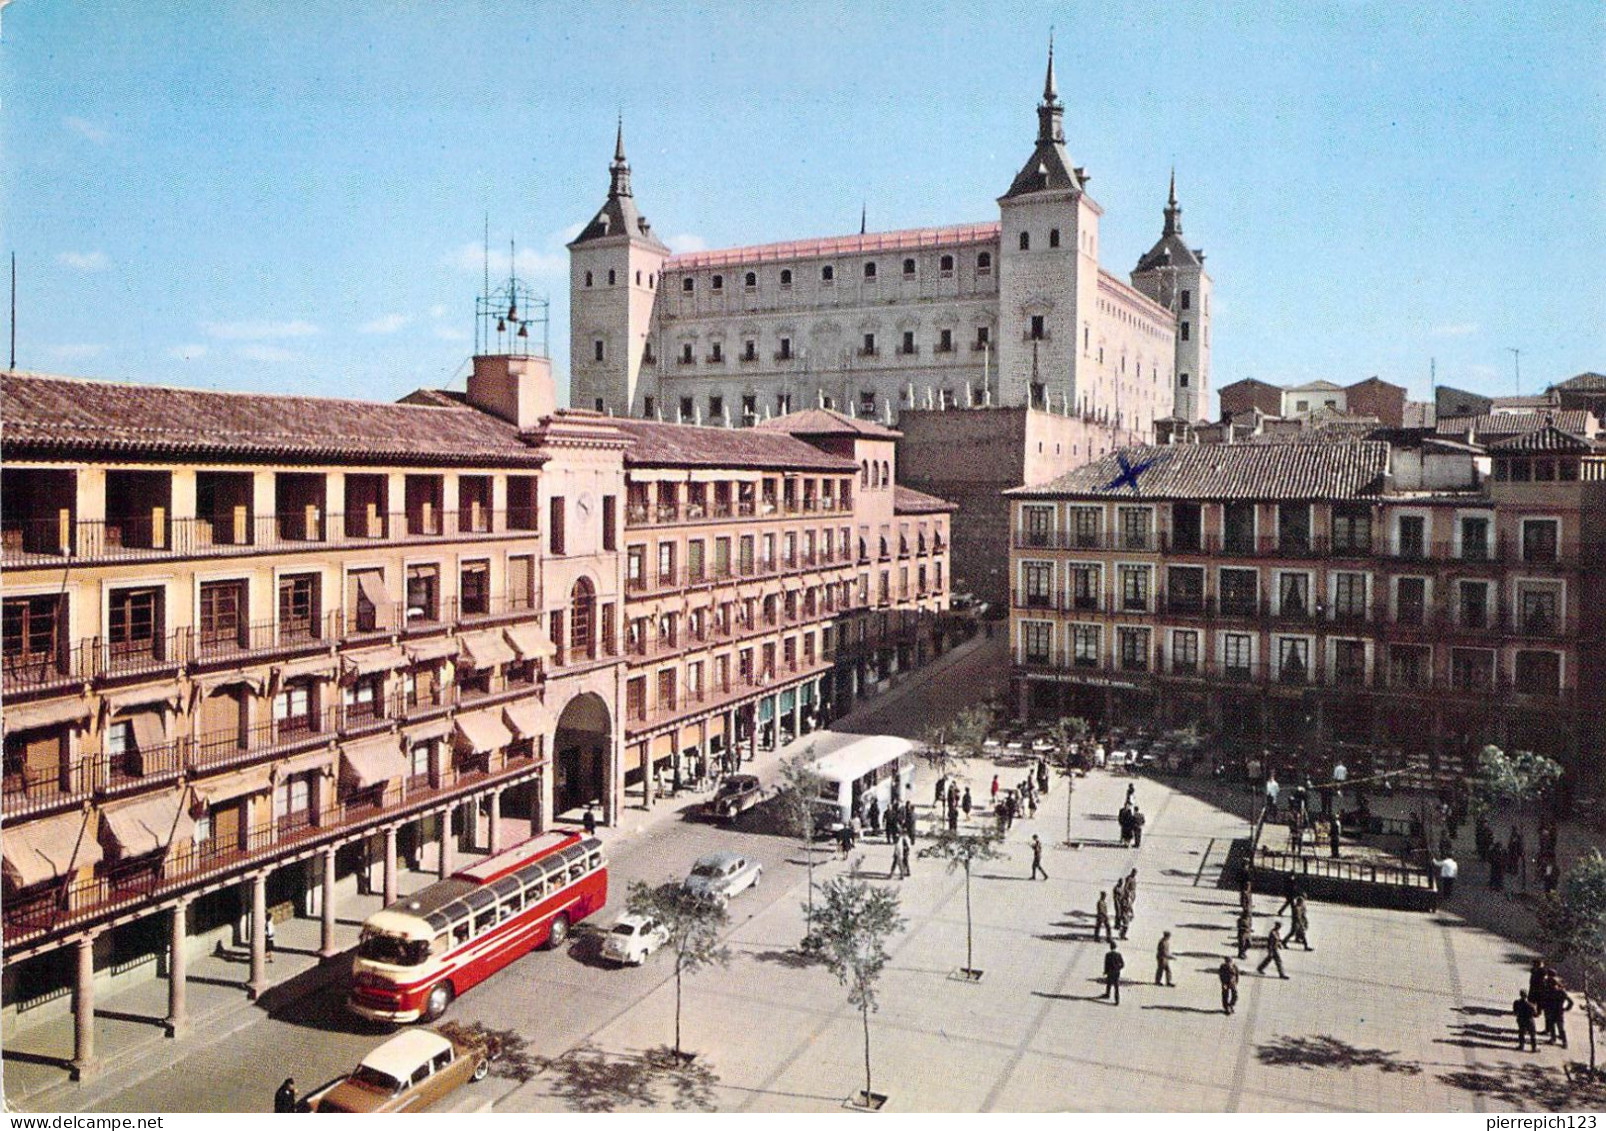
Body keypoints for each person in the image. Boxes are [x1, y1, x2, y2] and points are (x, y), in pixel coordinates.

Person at [1542, 972, 1574, 1048]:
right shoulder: (1561, 992)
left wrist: (1566, 1009)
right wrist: (1566, 1009)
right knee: (1556, 1027)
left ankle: (1557, 1040)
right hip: (1558, 1012)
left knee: (1557, 1027)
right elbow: (1570, 1002)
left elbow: (1571, 1002)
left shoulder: (1551, 992)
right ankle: (1561, 1041)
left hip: (1554, 1011)